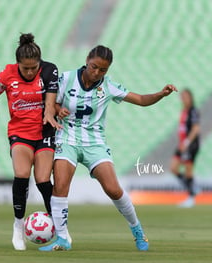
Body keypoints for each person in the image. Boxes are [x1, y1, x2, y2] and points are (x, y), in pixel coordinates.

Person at [39, 45, 177, 252]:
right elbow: (50, 103)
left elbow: (140, 99)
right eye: (94, 67)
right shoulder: (66, 79)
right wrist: (59, 110)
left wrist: (161, 94)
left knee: (113, 189)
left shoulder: (108, 86)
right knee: (60, 186)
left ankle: (137, 230)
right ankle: (62, 239)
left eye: (102, 70)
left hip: (95, 142)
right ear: (87, 60)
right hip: (66, 138)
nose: (96, 73)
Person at [0, 33, 62, 250]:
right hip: (19, 133)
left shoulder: (48, 71)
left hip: (44, 132)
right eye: (25, 68)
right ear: (18, 64)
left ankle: (61, 230)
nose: (29, 72)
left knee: (43, 179)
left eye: (33, 68)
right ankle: (18, 227)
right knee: (22, 174)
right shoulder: (7, 74)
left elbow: (54, 99)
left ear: (39, 63)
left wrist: (54, 111)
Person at [170, 88, 200, 208]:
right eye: (182, 97)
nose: (183, 99)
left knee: (188, 170)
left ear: (190, 98)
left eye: (185, 97)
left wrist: (187, 143)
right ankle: (193, 187)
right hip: (182, 144)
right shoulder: (184, 111)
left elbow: (196, 129)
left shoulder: (193, 111)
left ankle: (191, 197)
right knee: (173, 168)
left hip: (190, 145)